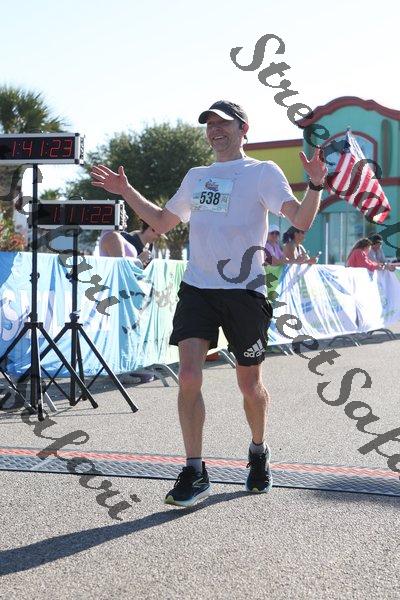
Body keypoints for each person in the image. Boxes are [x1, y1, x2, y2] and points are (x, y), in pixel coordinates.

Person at [91, 99, 326, 507]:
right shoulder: (197, 177)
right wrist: (125, 190)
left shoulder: (262, 172)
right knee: (188, 375)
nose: (215, 130)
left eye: (223, 123)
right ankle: (195, 470)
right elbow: (162, 222)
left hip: (245, 291)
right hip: (198, 288)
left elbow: (300, 220)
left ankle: (258, 451)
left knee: (249, 385)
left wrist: (316, 186)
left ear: (243, 128)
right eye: (209, 124)